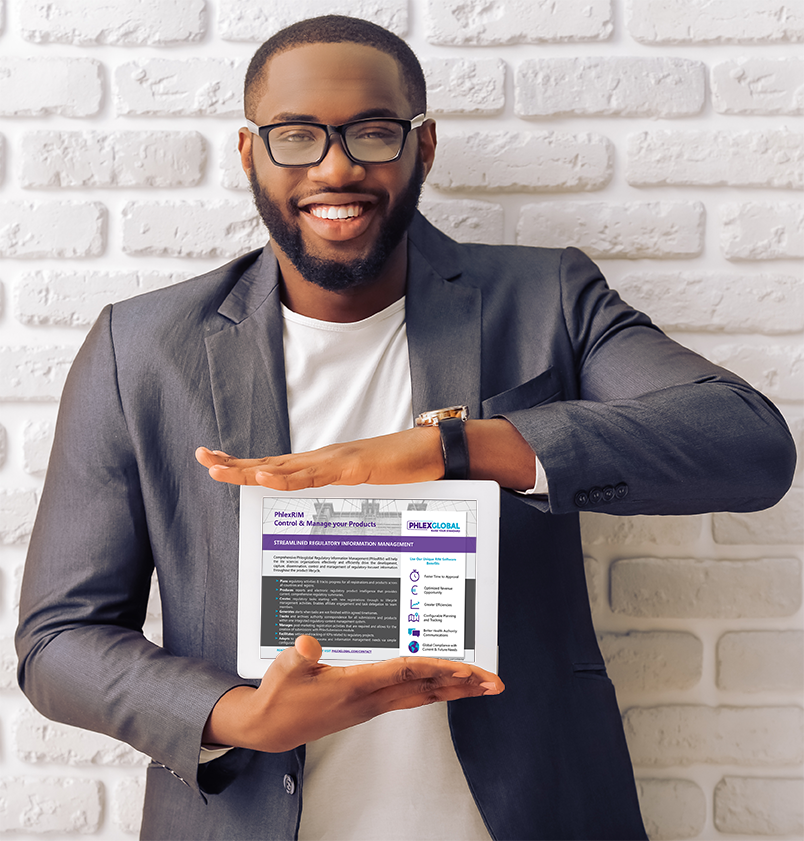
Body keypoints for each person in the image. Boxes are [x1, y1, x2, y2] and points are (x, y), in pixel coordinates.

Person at [16, 14, 795, 841]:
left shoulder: (546, 300)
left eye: (374, 133)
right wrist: (239, 716)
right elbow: (57, 640)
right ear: (249, 154)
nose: (337, 165)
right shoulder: (139, 349)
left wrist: (456, 446)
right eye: (296, 136)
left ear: (423, 147)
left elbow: (746, 442)